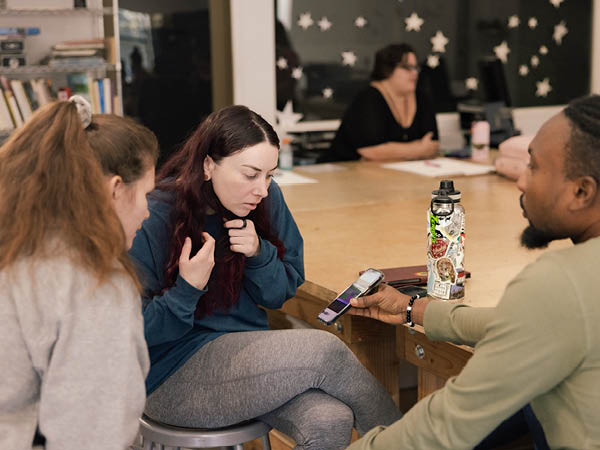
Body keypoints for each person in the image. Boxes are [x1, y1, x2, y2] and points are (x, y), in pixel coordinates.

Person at [129, 105, 402, 450]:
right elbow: (133, 332)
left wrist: (259, 254)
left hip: (249, 356)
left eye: (270, 175)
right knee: (325, 350)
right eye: (250, 174)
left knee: (330, 419)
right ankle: (414, 445)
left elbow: (281, 292)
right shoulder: (154, 215)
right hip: (172, 375)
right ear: (209, 165)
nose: (262, 188)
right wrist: (187, 290)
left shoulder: (265, 199)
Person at [346, 95, 600, 449]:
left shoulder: (559, 282)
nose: (521, 182)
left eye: (535, 167)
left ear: (582, 191)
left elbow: (446, 427)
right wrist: (411, 309)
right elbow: (521, 322)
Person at [0, 96, 158, 449]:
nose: (148, 212)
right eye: (147, 194)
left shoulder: (16, 243)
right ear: (116, 189)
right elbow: (90, 435)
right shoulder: (94, 282)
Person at [328, 43, 440, 162]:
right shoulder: (369, 98)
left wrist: (394, 150)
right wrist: (418, 149)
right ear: (388, 69)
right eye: (407, 67)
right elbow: (371, 151)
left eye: (416, 67)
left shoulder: (421, 97)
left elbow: (433, 144)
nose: (415, 73)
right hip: (345, 172)